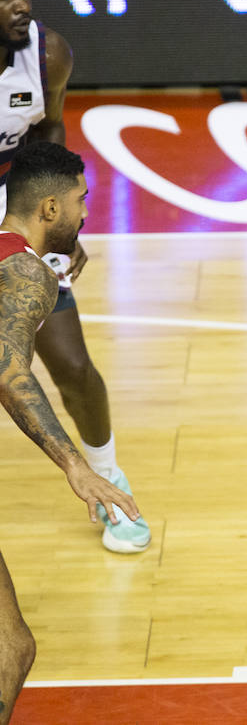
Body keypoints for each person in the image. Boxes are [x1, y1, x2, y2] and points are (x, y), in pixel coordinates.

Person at [0, 0, 150, 553]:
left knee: (73, 365)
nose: (21, 6)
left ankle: (108, 476)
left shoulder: (49, 52)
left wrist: (58, 224)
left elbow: (50, 132)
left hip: (14, 208)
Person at [0, 141, 142, 723]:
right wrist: (75, 464)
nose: (88, 214)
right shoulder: (25, 273)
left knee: (13, 649)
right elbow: (7, 366)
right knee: (10, 650)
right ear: (51, 209)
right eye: (82, 201)